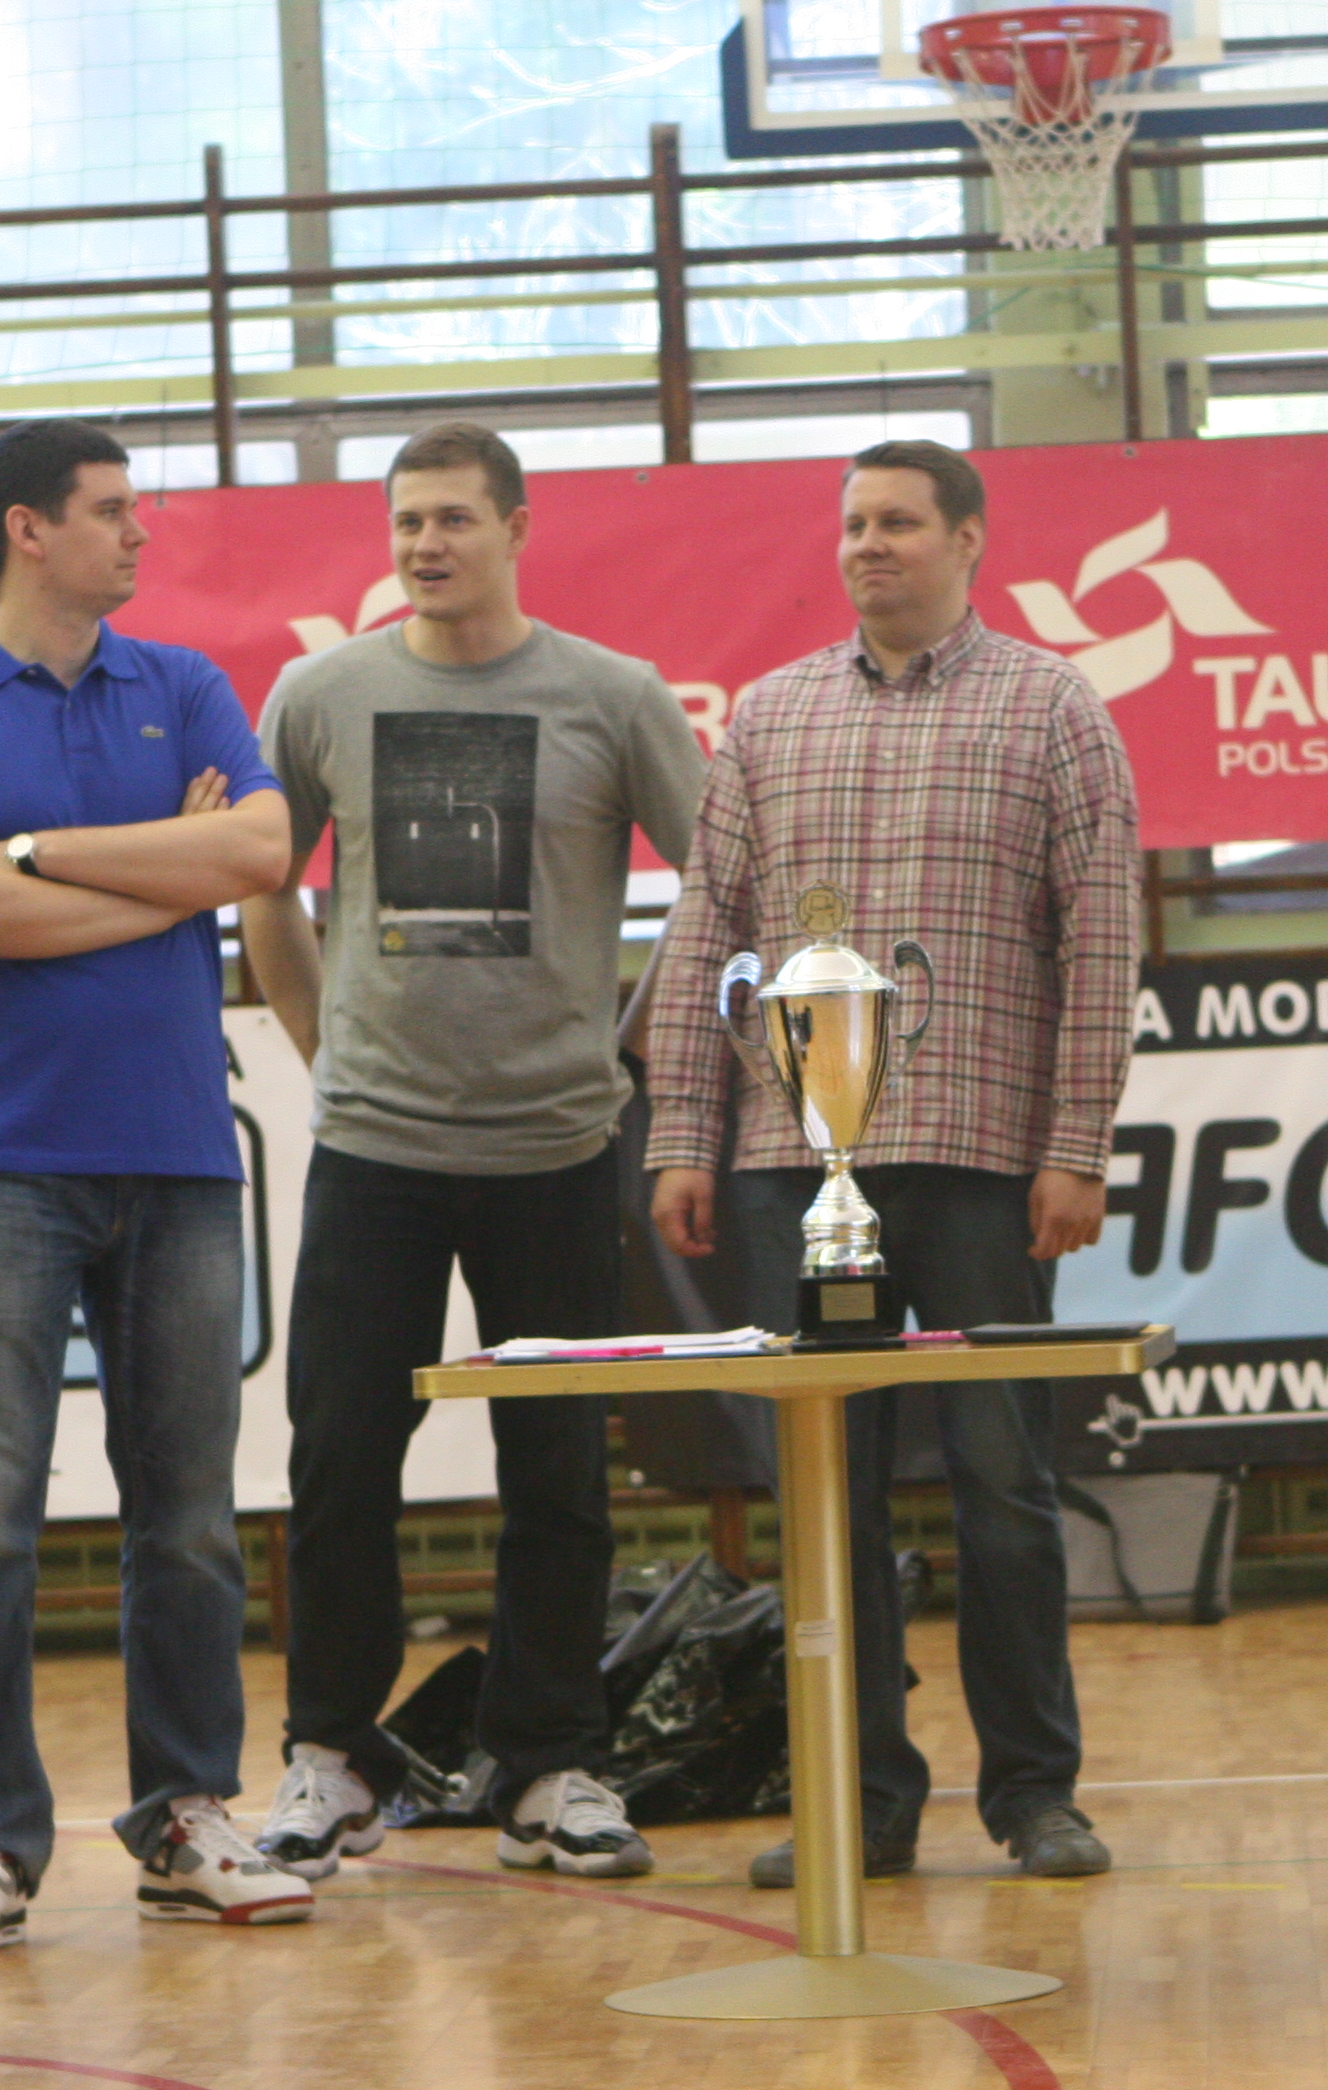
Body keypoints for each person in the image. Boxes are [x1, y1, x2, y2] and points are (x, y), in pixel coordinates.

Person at [645, 439, 1141, 1884]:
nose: (869, 545)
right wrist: (681, 1133)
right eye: (854, 523)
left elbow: (1103, 937)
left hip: (985, 1162)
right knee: (825, 1500)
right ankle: (858, 1801)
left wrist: (1076, 1148)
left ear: (969, 540)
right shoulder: (770, 715)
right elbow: (706, 932)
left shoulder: (1053, 706)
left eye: (901, 522)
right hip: (789, 1171)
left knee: (1005, 1491)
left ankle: (1035, 1796)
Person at [0, 420, 300, 1959]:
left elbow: (259, 848)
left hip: (179, 1155)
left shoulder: (184, 682)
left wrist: (39, 854)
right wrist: (162, 870)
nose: (140, 532)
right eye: (112, 509)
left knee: (189, 1522)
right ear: (27, 529)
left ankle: (185, 1814)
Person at [238, 422, 697, 1882]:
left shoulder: (616, 696)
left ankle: (550, 1766)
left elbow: (721, 883)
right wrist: (322, 1049)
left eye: (452, 518)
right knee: (341, 1460)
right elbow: (262, 885)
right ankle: (329, 1757)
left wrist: (627, 1045)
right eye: (406, 522)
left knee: (557, 1473)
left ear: (515, 527)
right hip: (374, 1146)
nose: (425, 544)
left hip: (556, 1149)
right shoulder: (320, 694)